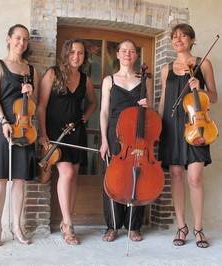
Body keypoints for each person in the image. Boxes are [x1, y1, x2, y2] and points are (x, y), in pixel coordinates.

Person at [158, 23, 218, 248]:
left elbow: (214, 97)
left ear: (192, 40)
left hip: (197, 124)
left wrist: (200, 89)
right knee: (175, 175)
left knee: (195, 177)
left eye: (183, 36)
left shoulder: (204, 63)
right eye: (174, 36)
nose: (178, 39)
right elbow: (164, 101)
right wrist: (158, 123)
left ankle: (199, 228)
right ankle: (181, 227)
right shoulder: (166, 69)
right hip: (172, 125)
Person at [37, 39, 97, 245]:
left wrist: (85, 117)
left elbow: (92, 103)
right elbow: (41, 106)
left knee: (74, 177)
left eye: (80, 53)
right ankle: (69, 224)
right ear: (66, 54)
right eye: (72, 52)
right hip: (55, 132)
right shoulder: (53, 73)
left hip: (76, 132)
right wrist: (43, 134)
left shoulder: (85, 79)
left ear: (84, 57)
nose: (76, 56)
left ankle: (65, 221)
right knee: (67, 172)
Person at [0, 24, 39, 247]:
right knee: (0, 178)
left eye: (25, 39)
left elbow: (33, 105)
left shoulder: (31, 70)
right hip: (3, 125)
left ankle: (17, 225)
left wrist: (31, 93)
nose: (21, 43)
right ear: (9, 39)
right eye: (17, 38)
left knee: (20, 179)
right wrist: (3, 121)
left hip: (24, 126)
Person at [99, 39, 151, 242]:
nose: (128, 54)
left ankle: (133, 226)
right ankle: (112, 225)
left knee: (138, 178)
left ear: (136, 56)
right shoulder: (109, 80)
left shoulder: (144, 80)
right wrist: (104, 140)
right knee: (112, 178)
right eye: (124, 50)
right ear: (118, 55)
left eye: (132, 51)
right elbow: (104, 112)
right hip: (114, 135)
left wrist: (147, 106)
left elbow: (150, 114)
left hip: (138, 136)